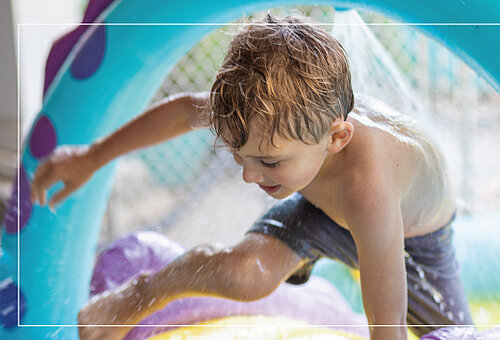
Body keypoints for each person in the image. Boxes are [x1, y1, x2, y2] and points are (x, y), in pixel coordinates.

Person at [31, 14, 473, 340]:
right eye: (239, 156)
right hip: (318, 209)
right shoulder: (269, 116)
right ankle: (142, 292)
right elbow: (186, 110)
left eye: (268, 162)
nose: (247, 176)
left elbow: (387, 325)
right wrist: (92, 157)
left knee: (452, 334)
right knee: (248, 273)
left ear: (336, 137)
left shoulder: (367, 187)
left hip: (415, 241)